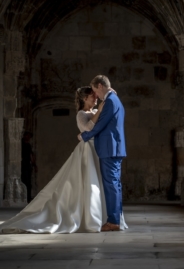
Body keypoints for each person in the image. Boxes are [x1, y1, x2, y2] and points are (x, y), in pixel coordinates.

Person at [0, 86, 127, 233]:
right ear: (85, 98)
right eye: (93, 96)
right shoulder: (81, 114)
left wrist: (110, 94)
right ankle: (89, 217)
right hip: (87, 151)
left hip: (97, 150)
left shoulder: (96, 110)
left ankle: (106, 216)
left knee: (99, 183)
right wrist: (98, 111)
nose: (96, 98)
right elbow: (87, 129)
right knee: (87, 182)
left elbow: (106, 115)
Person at [78, 75, 126, 232]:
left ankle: (113, 221)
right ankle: (116, 218)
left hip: (109, 148)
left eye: (95, 91)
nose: (95, 96)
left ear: (99, 86)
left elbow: (100, 125)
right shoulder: (114, 99)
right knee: (115, 184)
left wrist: (84, 136)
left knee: (111, 184)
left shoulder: (110, 101)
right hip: (114, 147)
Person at [21, 131, 37, 203]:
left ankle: (28, 197)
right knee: (23, 181)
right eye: (27, 136)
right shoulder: (21, 144)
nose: (28, 138)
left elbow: (31, 156)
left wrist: (34, 165)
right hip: (22, 164)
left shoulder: (28, 145)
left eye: (29, 137)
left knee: (28, 182)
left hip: (27, 165)